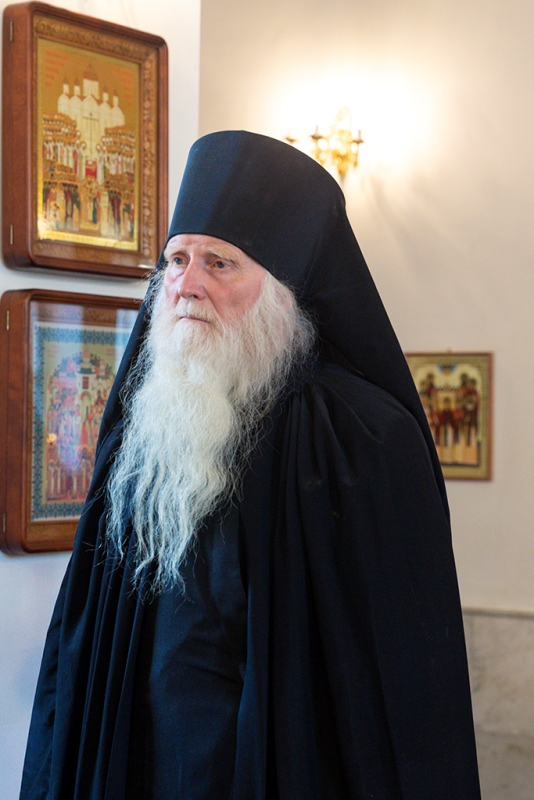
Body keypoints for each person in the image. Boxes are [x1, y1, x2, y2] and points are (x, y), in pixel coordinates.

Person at [20, 131, 481, 800]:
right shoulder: (145, 428)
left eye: (220, 263)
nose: (186, 286)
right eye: (176, 260)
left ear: (283, 291)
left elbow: (401, 688)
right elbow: (86, 639)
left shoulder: (361, 437)